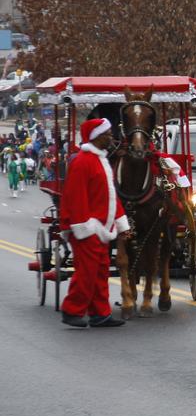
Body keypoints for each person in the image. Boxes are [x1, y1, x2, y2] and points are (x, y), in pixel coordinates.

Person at [59, 118, 130, 329]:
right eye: (107, 134)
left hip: (102, 228)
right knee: (86, 272)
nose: (110, 137)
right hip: (87, 229)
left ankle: (100, 313)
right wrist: (83, 228)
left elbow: (110, 196)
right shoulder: (82, 162)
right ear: (96, 137)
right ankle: (72, 310)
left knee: (100, 272)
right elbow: (75, 197)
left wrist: (121, 224)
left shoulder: (101, 160)